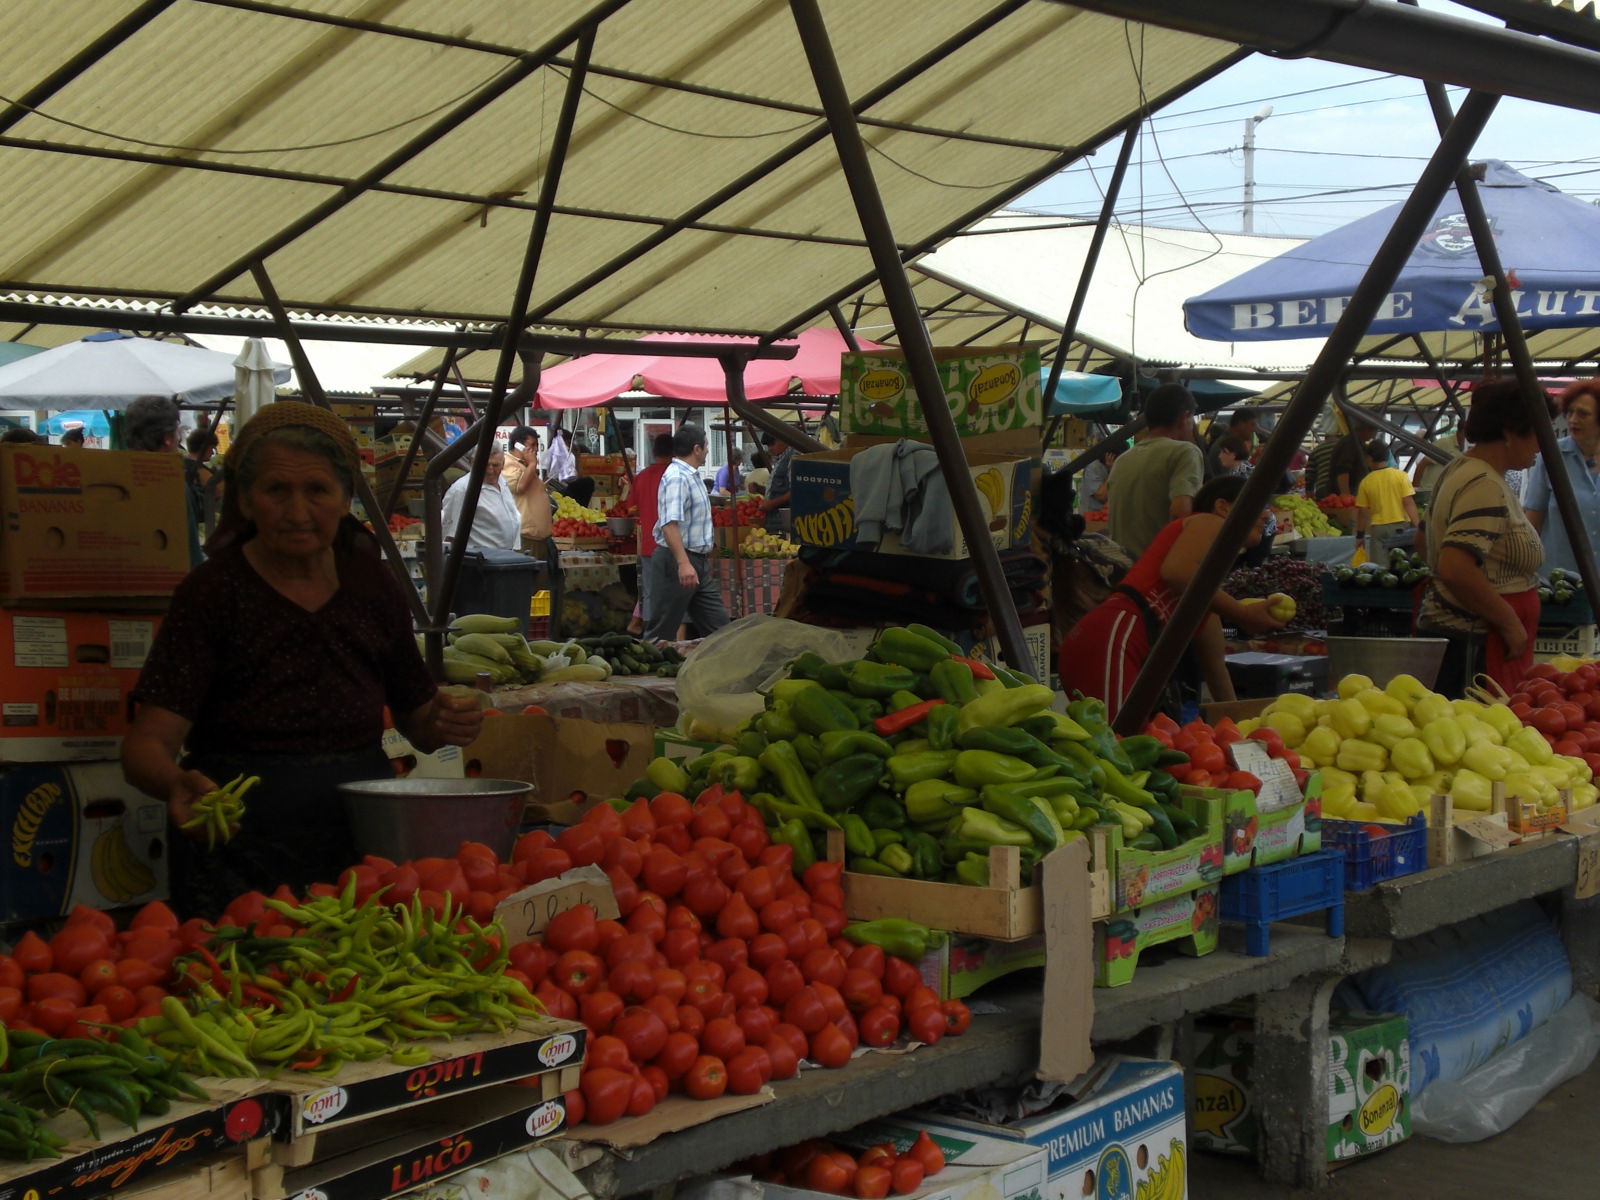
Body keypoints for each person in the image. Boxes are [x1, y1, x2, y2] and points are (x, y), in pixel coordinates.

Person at [121, 402, 485, 918]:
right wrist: (175, 782)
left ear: (346, 497)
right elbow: (146, 744)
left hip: (360, 847)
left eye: (317, 490)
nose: (297, 512)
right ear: (245, 500)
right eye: (276, 491)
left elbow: (418, 723)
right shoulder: (211, 593)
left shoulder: (372, 586)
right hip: (234, 850)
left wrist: (445, 718)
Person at [1058, 474, 1286, 721]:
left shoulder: (1201, 588)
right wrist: (1242, 613)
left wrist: (1238, 722)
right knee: (1120, 743)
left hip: (1109, 641)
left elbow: (1214, 664)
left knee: (1127, 744)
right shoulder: (1209, 521)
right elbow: (1176, 572)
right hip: (1115, 638)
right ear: (1223, 507)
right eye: (1260, 505)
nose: (1267, 515)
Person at [1418, 379, 1550, 698]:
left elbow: (1423, 542)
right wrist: (1509, 623)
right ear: (1509, 431)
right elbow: (1454, 566)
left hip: (1467, 635)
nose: (1541, 444)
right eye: (1536, 433)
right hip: (1480, 644)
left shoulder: (1459, 469)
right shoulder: (1484, 485)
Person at [645, 423, 729, 642]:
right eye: (707, 445)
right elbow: (669, 523)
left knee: (720, 627)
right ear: (697, 449)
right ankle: (647, 668)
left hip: (696, 562)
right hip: (677, 561)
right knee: (661, 631)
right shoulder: (677, 477)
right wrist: (683, 563)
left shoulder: (691, 475)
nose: (708, 450)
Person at [1106, 383, 1203, 557]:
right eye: (1192, 420)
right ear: (1184, 417)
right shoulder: (1185, 452)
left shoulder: (1123, 460)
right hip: (1156, 571)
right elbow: (1181, 511)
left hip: (1122, 571)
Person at [1522, 379, 1600, 582]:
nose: (1573, 419)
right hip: (1560, 586)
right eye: (1569, 412)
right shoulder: (1551, 456)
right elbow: (1533, 521)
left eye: (1583, 414)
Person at [125, 395, 203, 565]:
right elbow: (190, 554)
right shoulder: (170, 484)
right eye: (177, 431)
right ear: (168, 438)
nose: (179, 439)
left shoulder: (111, 474)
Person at [629, 433, 675, 634]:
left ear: (654, 452)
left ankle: (648, 632)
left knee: (650, 590)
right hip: (675, 544)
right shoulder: (676, 475)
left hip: (648, 543)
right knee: (674, 590)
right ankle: (671, 632)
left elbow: (631, 509)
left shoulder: (642, 476)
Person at [441, 448, 520, 552]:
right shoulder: (462, 490)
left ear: (503, 464)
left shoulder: (501, 481)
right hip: (479, 560)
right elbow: (451, 534)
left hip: (505, 557)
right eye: (485, 465)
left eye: (495, 465)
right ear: (473, 463)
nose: (490, 470)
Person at [1354, 440, 1420, 562]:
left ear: (1369, 458)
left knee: (1381, 570)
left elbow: (1362, 512)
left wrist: (1360, 535)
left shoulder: (1366, 482)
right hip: (1400, 528)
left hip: (1378, 529)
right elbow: (1408, 503)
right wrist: (1418, 527)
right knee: (1401, 565)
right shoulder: (1401, 476)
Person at [502, 425, 554, 553]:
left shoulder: (523, 463)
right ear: (518, 445)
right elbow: (519, 487)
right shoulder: (508, 463)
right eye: (532, 445)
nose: (536, 449)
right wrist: (532, 464)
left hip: (539, 536)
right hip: (526, 535)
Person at [1203, 407, 1259, 478]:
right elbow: (1232, 482)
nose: (1254, 430)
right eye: (1252, 425)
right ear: (1240, 424)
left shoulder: (1230, 443)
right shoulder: (1227, 447)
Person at [761, 431, 795, 533]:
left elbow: (796, 490)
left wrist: (772, 504)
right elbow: (779, 489)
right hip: (774, 520)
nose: (769, 448)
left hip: (782, 521)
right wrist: (759, 488)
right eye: (768, 445)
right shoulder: (781, 458)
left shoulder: (792, 458)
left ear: (782, 440)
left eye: (772, 444)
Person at [1080, 448, 1117, 514]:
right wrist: (1112, 470)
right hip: (1092, 516)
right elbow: (1101, 496)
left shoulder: (1108, 467)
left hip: (1106, 515)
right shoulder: (1093, 467)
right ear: (1110, 456)